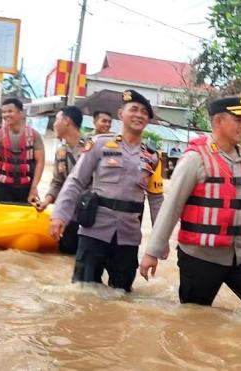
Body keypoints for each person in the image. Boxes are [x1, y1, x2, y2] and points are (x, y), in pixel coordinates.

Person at [140, 96, 241, 313]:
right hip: (201, 255)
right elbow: (172, 207)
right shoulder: (195, 159)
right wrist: (152, 252)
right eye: (237, 119)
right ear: (218, 122)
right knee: (194, 315)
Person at [50, 90, 163, 291]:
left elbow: (156, 201)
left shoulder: (152, 157)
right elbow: (75, 181)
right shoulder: (99, 144)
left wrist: (158, 243)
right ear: (121, 114)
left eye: (144, 112)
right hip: (94, 231)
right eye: (134, 109)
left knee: (122, 295)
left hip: (128, 236)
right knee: (83, 291)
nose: (139, 115)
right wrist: (60, 216)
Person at [36, 106, 86, 254]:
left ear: (67, 121)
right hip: (68, 217)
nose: (53, 124)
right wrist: (46, 201)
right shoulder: (61, 152)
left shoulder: (91, 147)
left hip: (89, 218)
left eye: (56, 120)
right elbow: (58, 182)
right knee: (65, 257)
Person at [0, 98, 45, 203]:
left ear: (20, 113)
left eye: (10, 111)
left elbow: (40, 162)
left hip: (26, 187)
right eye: (4, 112)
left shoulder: (34, 136)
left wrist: (34, 188)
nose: (6, 115)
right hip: (2, 188)